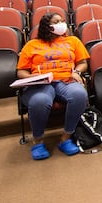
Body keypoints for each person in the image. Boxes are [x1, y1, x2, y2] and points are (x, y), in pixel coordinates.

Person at [16, 12, 90, 160]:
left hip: (66, 80)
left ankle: (66, 138)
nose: (62, 24)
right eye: (56, 22)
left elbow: (83, 63)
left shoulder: (73, 41)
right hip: (41, 84)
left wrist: (76, 71)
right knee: (40, 101)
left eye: (62, 21)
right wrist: (32, 77)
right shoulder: (32, 45)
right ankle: (38, 142)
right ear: (47, 27)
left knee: (80, 94)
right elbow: (21, 71)